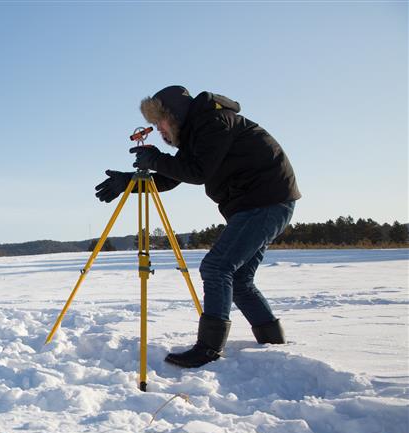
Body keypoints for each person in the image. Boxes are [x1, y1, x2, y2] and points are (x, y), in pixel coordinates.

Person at [95, 86, 300, 368]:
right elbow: (175, 176)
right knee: (239, 279)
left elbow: (197, 173)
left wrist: (155, 159)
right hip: (259, 203)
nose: (158, 130)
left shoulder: (212, 122)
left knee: (216, 267)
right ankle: (271, 340)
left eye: (159, 123)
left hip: (265, 201)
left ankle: (209, 349)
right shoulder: (196, 131)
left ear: (174, 114)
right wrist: (130, 182)